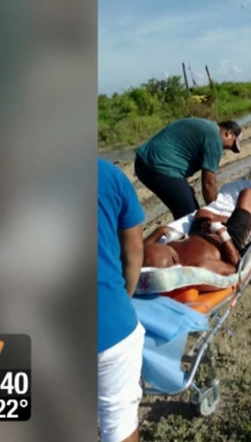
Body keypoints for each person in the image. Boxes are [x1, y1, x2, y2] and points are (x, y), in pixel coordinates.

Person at [97, 158, 145, 442]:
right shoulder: (109, 174)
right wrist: (122, 298)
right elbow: (134, 251)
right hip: (110, 324)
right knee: (119, 422)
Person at [143, 188, 251, 276]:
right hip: (229, 241)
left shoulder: (161, 257)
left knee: (201, 213)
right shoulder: (199, 267)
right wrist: (221, 231)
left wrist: (161, 231)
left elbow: (139, 249)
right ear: (175, 258)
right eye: (168, 247)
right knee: (248, 194)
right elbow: (235, 265)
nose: (167, 245)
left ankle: (236, 219)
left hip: (201, 234)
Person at [134, 118, 243, 220]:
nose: (226, 149)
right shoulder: (215, 137)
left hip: (142, 163)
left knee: (185, 208)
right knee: (191, 216)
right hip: (160, 168)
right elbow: (208, 183)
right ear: (229, 133)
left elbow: (180, 150)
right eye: (231, 146)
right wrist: (215, 212)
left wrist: (184, 184)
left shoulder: (205, 126)